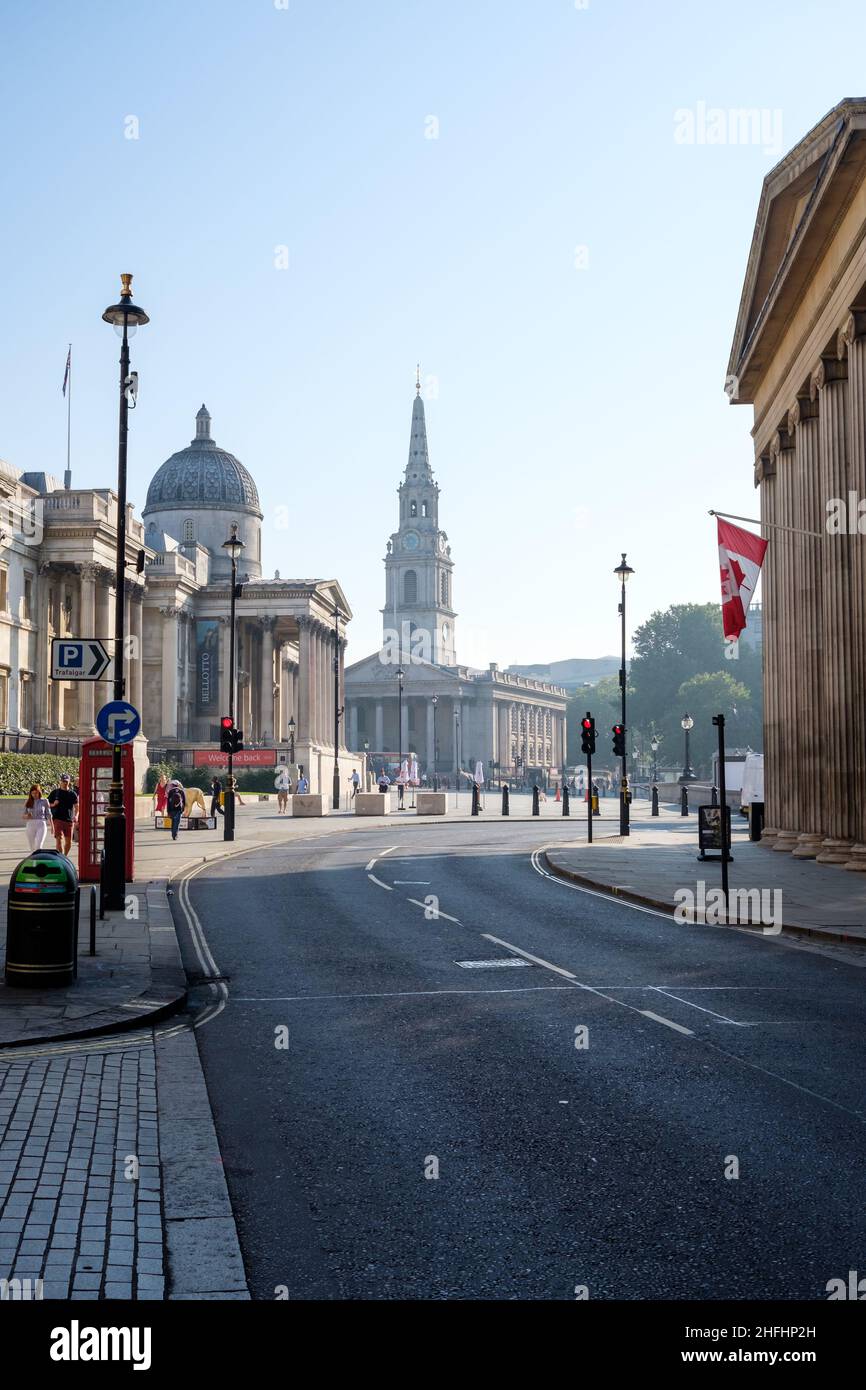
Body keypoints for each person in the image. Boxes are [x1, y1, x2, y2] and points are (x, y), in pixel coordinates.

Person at [48, 773, 78, 856]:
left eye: (66, 781)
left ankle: (65, 856)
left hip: (69, 820)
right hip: (57, 819)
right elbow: (47, 804)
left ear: (69, 782)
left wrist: (76, 816)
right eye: (63, 781)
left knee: (68, 842)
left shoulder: (72, 794)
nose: (65, 783)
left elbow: (77, 807)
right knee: (59, 839)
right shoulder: (55, 792)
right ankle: (60, 857)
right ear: (60, 782)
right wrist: (53, 804)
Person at [23, 784, 53, 852]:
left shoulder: (45, 801)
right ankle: (34, 861)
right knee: (32, 847)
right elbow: (23, 815)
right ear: (30, 793)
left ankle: (38, 859)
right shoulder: (27, 802)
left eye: (36, 793)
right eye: (33, 793)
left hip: (41, 823)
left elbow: (49, 814)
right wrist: (27, 816)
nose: (34, 795)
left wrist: (52, 826)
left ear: (39, 792)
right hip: (30, 824)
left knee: (39, 846)